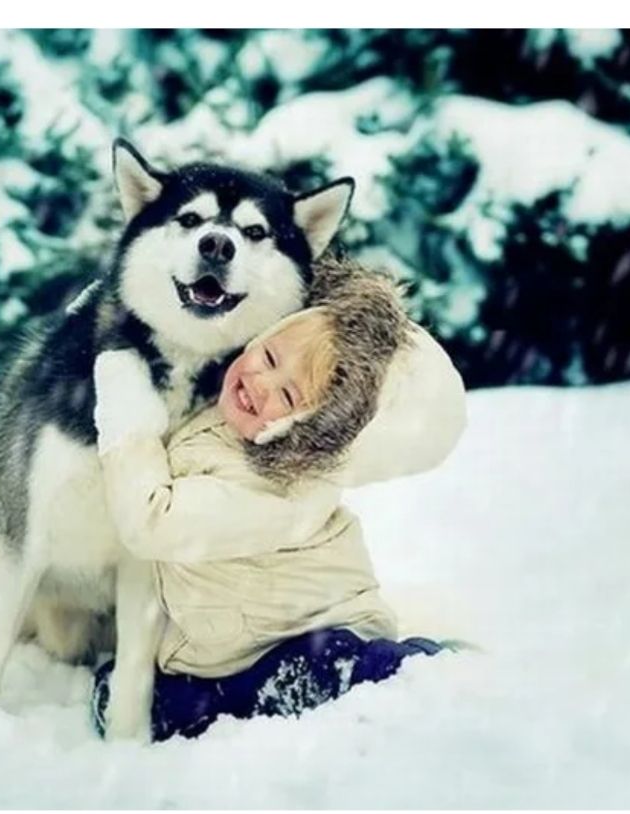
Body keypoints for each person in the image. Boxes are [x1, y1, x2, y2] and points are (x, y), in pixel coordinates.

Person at [89, 259, 467, 741]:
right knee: (188, 701)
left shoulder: (280, 492)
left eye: (287, 396)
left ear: (312, 436)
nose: (258, 383)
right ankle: (191, 702)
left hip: (318, 628)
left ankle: (422, 673)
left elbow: (151, 520)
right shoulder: (229, 412)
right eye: (268, 357)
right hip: (220, 650)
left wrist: (128, 427)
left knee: (331, 665)